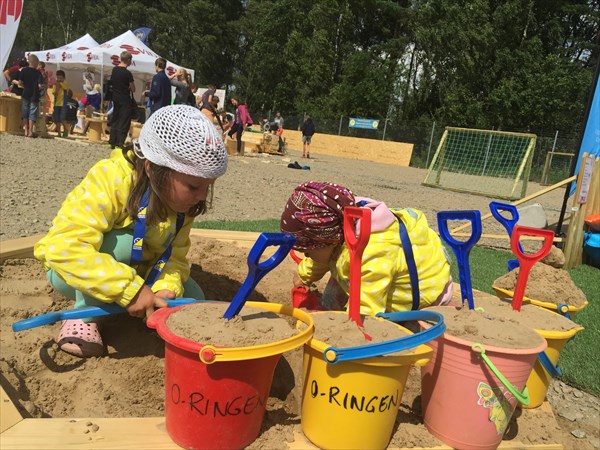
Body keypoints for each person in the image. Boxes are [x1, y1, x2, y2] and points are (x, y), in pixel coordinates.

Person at [33, 105, 228, 358]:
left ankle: (140, 304)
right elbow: (64, 247)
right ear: (152, 169)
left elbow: (176, 257)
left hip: (140, 272)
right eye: (193, 186)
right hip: (75, 271)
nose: (201, 197)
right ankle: (86, 316)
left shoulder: (184, 202)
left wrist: (165, 287)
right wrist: (129, 289)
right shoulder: (111, 178)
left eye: (208, 187)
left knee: (192, 296)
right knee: (123, 247)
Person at [280, 181, 453, 314]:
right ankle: (329, 311)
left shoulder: (372, 254)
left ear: (329, 239)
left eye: (308, 251)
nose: (306, 255)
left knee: (403, 333)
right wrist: (304, 275)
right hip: (367, 272)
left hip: (422, 300)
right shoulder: (339, 220)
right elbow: (323, 257)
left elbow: (368, 310)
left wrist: (348, 329)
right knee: (338, 267)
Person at [108, 51, 135, 149]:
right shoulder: (127, 73)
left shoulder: (114, 70)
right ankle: (120, 142)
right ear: (128, 60)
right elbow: (133, 89)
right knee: (124, 121)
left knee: (115, 119)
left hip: (115, 98)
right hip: (124, 99)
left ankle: (112, 141)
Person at [12, 54, 43, 137]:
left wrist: (25, 86)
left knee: (25, 111)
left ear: (29, 62)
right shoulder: (38, 73)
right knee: (32, 112)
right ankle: (30, 131)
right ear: (36, 62)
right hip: (34, 95)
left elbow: (19, 83)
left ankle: (25, 130)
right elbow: (40, 86)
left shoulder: (24, 70)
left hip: (25, 94)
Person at [52, 70, 69, 137]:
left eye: (60, 78)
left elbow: (66, 88)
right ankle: (59, 133)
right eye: (58, 78)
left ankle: (66, 130)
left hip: (63, 104)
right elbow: (55, 94)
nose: (59, 79)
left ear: (64, 78)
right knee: (57, 119)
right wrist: (57, 88)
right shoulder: (55, 85)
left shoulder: (65, 84)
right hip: (56, 104)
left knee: (62, 119)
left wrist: (59, 84)